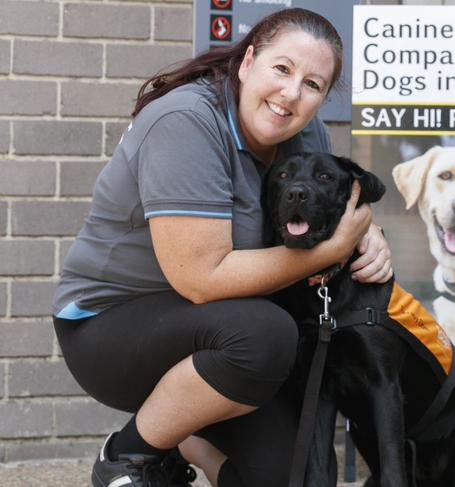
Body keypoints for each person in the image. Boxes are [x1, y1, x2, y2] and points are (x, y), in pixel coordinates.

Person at [52, 8, 392, 487]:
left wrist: (367, 230)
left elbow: (333, 199)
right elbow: (201, 278)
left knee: (293, 475)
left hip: (219, 330)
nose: (291, 94)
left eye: (313, 85)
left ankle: (187, 438)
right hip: (112, 326)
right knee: (268, 333)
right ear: (248, 61)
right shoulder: (185, 121)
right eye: (282, 69)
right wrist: (334, 248)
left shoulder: (303, 131)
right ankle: (129, 455)